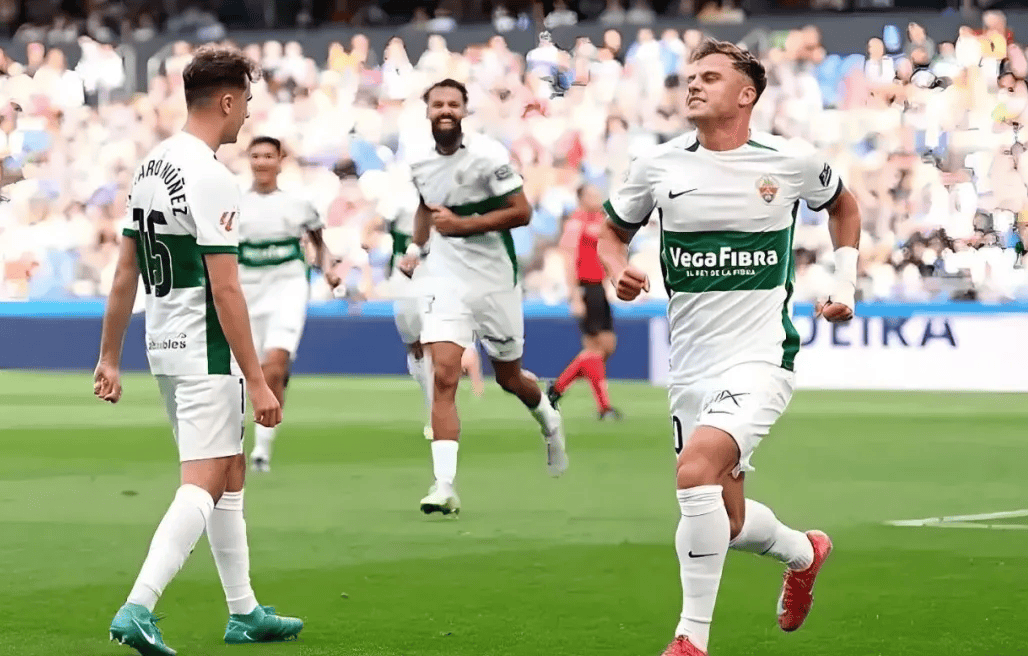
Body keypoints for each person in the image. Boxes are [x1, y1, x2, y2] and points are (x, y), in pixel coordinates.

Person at [596, 39, 860, 656]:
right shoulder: (657, 166)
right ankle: (805, 552)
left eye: (710, 77)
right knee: (729, 521)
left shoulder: (790, 161)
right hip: (691, 366)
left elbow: (844, 207)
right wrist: (617, 270)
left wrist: (845, 282)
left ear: (746, 95)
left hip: (760, 356)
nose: (693, 84)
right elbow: (610, 233)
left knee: (694, 473)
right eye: (691, 76)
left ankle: (691, 638)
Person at [92, 46, 304, 656]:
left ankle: (244, 612)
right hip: (205, 347)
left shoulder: (151, 166)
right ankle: (138, 606)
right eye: (247, 102)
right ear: (228, 100)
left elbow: (125, 269)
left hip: (163, 342)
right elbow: (226, 287)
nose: (248, 114)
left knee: (230, 470)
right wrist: (258, 380)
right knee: (206, 480)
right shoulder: (212, 176)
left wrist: (110, 356)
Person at [398, 78, 567, 516]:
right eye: (438, 104)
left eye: (453, 104)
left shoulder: (489, 155)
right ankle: (443, 485)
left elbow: (522, 211)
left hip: (494, 280)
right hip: (446, 276)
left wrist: (463, 225)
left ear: (464, 111)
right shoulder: (417, 158)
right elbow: (426, 206)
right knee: (445, 374)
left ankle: (549, 419)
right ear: (428, 111)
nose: (445, 110)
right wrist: (416, 248)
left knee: (509, 378)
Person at [240, 135, 340, 472]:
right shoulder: (235, 204)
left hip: (288, 287)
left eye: (268, 156)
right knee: (246, 371)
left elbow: (319, 244)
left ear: (280, 160)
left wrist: (328, 270)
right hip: (246, 291)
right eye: (256, 155)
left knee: (275, 364)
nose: (262, 162)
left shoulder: (299, 203)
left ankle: (262, 448)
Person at [548, 183, 622, 420]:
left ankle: (556, 388)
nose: (598, 198)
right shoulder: (576, 222)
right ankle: (604, 407)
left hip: (598, 287)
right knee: (596, 348)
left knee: (606, 346)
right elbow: (570, 258)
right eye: (592, 194)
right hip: (585, 287)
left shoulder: (600, 220)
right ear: (581, 198)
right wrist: (575, 295)